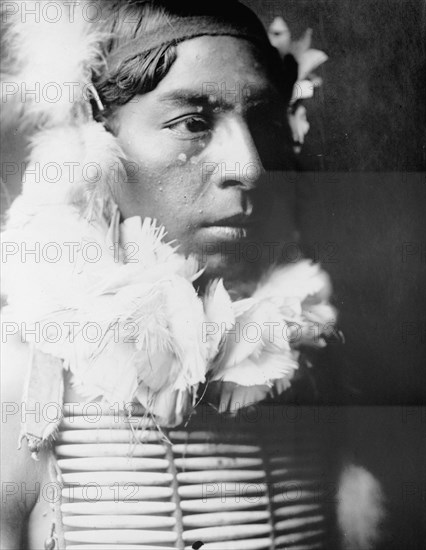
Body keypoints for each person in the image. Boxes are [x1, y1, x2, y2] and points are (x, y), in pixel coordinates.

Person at [1, 1, 383, 548]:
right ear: (94, 145)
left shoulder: (316, 356)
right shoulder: (21, 375)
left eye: (262, 122)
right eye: (193, 123)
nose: (248, 167)